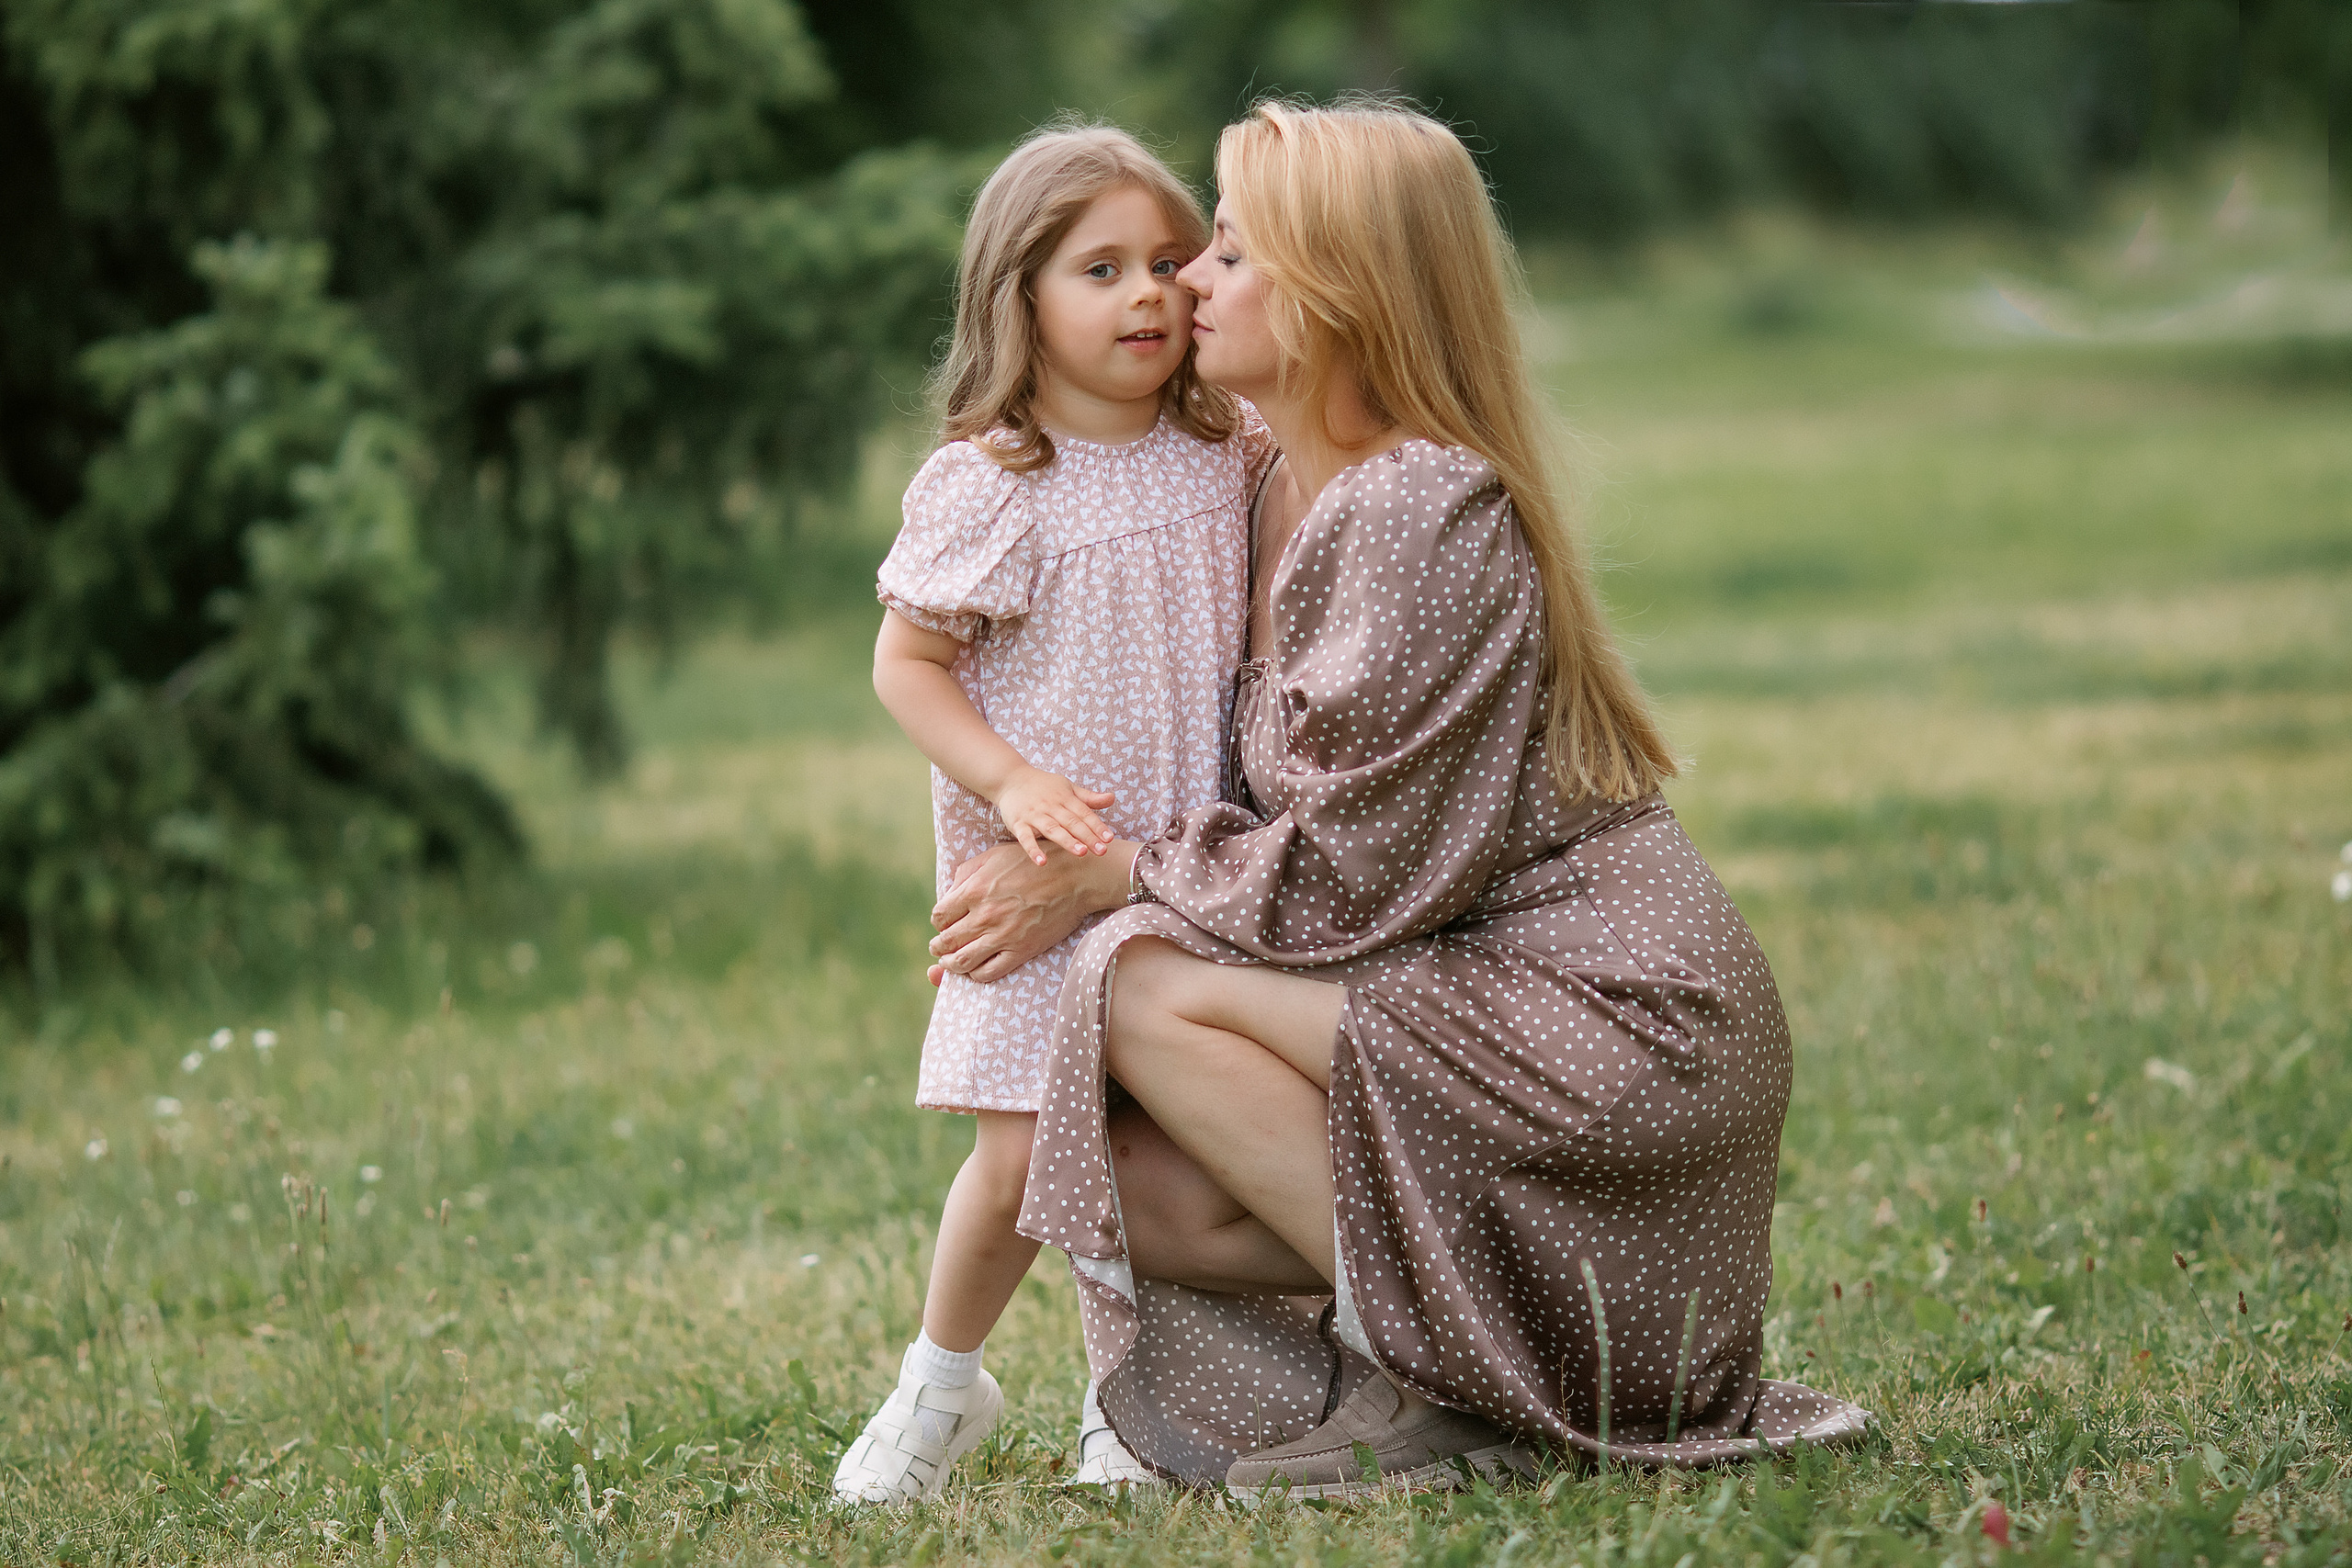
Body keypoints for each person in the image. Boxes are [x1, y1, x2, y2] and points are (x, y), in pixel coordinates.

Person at [926, 98, 1871, 1495]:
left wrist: (1107, 871)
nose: (1187, 282)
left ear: (1335, 298)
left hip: (1606, 1015)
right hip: (1472, 992)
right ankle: (1449, 1362)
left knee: (1132, 986)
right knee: (1115, 1178)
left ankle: (1456, 1391)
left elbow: (1354, 883)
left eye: (1229, 255)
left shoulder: (1420, 507)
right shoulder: (1268, 484)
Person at [831, 124, 1274, 1504]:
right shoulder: (994, 479)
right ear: (1019, 297)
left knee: (1151, 1150)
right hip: (1050, 859)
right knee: (1027, 1148)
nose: (1149, 293)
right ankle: (941, 1384)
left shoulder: (1226, 446)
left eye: (1167, 258)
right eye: (1100, 269)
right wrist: (1010, 780)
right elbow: (907, 664)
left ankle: (1122, 1401)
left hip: (1182, 866)